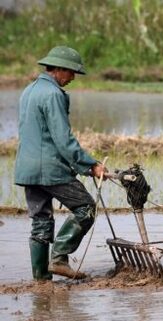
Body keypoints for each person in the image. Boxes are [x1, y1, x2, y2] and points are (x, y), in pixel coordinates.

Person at [14, 46, 107, 280]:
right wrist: (91, 165)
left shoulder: (29, 91)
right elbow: (63, 140)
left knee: (41, 222)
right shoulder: (53, 94)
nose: (73, 78)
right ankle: (59, 257)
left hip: (27, 169)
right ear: (59, 69)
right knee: (86, 207)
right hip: (50, 169)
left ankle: (41, 281)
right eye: (72, 72)